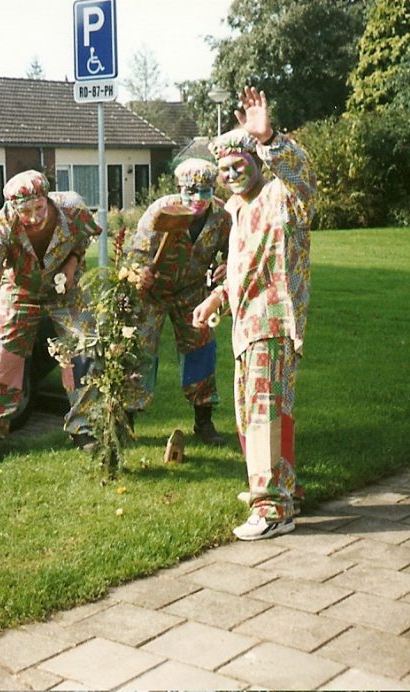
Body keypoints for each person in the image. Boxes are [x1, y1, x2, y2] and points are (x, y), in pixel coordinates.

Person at [192, 87, 317, 541]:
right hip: (246, 328)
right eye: (223, 170)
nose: (230, 174)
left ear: (257, 162)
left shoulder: (282, 198)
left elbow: (302, 178)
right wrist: (213, 300)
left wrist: (270, 138)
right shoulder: (236, 208)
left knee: (265, 412)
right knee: (252, 414)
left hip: (273, 322)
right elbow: (239, 270)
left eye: (238, 165)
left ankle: (272, 510)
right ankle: (280, 487)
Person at [0, 169, 100, 463]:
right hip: (21, 289)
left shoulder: (72, 207)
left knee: (83, 349)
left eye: (38, 208)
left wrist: (72, 263)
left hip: (65, 287)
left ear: (47, 198)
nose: (33, 217)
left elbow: (83, 238)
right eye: (24, 211)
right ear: (14, 208)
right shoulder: (2, 227)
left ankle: (84, 427)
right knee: (5, 358)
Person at [128, 158, 232, 445]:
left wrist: (227, 268)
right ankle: (126, 420)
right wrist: (141, 272)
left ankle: (204, 421)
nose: (198, 199)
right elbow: (136, 253)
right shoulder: (162, 212)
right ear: (179, 188)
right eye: (190, 191)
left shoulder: (222, 218)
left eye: (205, 192)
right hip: (153, 295)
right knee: (140, 351)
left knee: (200, 349)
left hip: (191, 294)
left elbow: (234, 252)